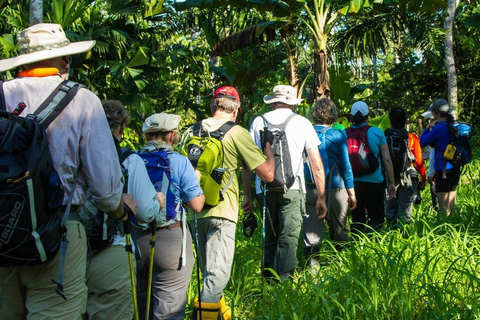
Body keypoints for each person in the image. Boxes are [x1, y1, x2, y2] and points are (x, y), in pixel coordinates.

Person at [0, 23, 132, 319]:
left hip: (2, 232)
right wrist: (121, 211)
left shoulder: (2, 94)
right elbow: (107, 191)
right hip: (59, 232)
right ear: (65, 60)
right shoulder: (81, 100)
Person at [182, 86, 274, 318]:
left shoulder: (190, 131)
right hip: (223, 213)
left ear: (213, 106)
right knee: (217, 276)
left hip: (193, 212)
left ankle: (218, 313)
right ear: (236, 110)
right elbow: (267, 175)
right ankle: (204, 316)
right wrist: (268, 148)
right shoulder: (236, 133)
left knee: (206, 273)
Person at [83, 101, 164, 320]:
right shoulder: (128, 158)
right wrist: (158, 201)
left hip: (63, 247)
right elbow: (146, 212)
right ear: (121, 127)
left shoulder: (74, 146)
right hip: (109, 247)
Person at [246, 85, 327, 279]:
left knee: (270, 235)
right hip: (293, 188)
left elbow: (246, 162)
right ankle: (283, 281)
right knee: (288, 236)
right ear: (292, 103)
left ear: (272, 102)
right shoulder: (302, 122)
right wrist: (321, 196)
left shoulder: (258, 121)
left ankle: (267, 279)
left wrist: (247, 195)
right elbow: (316, 164)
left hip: (263, 187)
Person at [133, 112, 205, 320]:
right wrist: (196, 181)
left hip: (135, 239)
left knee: (139, 306)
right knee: (169, 309)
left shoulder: (132, 160)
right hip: (170, 240)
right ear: (173, 136)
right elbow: (197, 205)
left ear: (146, 136)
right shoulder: (180, 162)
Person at [302, 98, 356, 268]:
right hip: (335, 186)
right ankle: (341, 267)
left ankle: (313, 272)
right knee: (339, 230)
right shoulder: (338, 135)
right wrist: (351, 192)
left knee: (311, 232)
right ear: (333, 114)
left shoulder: (306, 132)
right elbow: (346, 165)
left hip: (310, 187)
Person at [347, 101, 395, 233]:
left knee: (357, 218)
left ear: (351, 116)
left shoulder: (345, 133)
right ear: (367, 115)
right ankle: (373, 246)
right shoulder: (377, 132)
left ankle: (356, 248)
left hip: (353, 183)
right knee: (376, 217)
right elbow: (386, 159)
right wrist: (391, 182)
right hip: (375, 182)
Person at [385, 107, 426, 224]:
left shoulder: (386, 137)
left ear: (390, 120)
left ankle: (388, 237)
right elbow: (419, 161)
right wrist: (423, 179)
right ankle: (405, 237)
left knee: (390, 210)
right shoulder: (411, 138)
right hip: (408, 176)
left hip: (390, 177)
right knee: (405, 211)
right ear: (405, 120)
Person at [420, 99, 459, 216]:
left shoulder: (439, 128)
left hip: (442, 169)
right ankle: (457, 225)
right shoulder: (451, 126)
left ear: (434, 112)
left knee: (444, 207)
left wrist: (427, 128)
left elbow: (422, 142)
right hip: (454, 167)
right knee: (452, 204)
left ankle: (447, 229)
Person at [421, 105, 441, 213]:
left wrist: (430, 176)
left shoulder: (437, 144)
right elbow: (427, 152)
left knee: (439, 203)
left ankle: (441, 219)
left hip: (437, 175)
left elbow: (423, 141)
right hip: (450, 172)